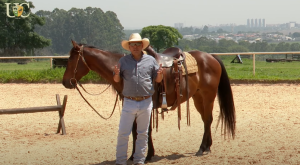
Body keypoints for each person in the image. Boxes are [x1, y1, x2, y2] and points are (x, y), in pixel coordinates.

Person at [113, 33, 163, 165]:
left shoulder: (151, 60)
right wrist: (117, 75)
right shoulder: (123, 61)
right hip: (129, 101)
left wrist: (160, 75)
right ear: (129, 47)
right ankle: (120, 161)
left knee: (142, 133)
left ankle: (139, 161)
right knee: (123, 133)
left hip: (146, 101)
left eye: (137, 44)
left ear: (142, 46)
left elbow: (157, 80)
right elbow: (116, 80)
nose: (135, 47)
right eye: (132, 44)